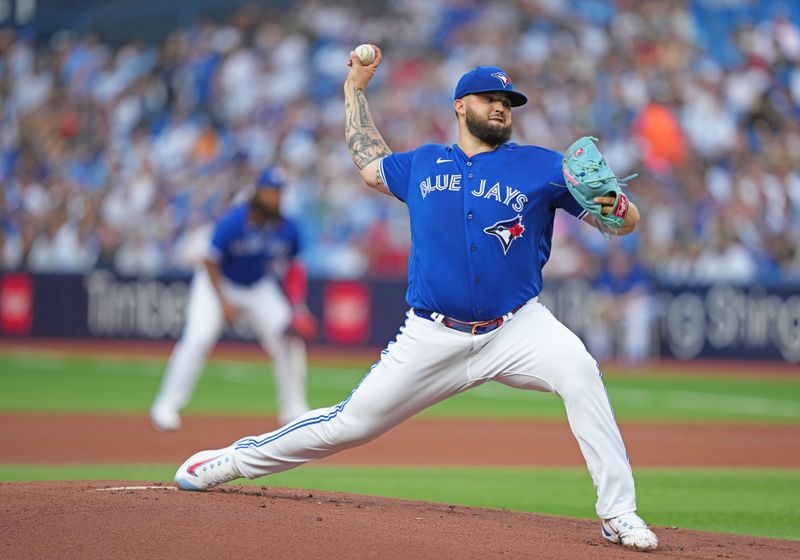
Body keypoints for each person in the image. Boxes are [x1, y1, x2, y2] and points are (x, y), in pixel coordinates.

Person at [173, 49, 659, 551]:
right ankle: (234, 460)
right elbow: (368, 164)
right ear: (459, 106)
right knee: (349, 425)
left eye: (508, 102)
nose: (500, 108)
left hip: (518, 327)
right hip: (432, 333)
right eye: (489, 98)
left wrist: (614, 202)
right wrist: (354, 90)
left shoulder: (543, 167)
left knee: (580, 371)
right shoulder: (424, 164)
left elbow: (621, 224)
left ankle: (618, 513)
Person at [150, 168, 312, 431]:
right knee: (198, 338)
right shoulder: (233, 221)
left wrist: (297, 307)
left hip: (258, 285)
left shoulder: (287, 227)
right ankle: (165, 406)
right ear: (258, 193)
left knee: (288, 337)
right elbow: (209, 261)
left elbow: (295, 267)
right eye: (272, 192)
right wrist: (224, 302)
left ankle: (294, 408)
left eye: (280, 192)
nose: (276, 198)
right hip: (217, 282)